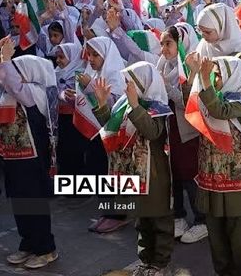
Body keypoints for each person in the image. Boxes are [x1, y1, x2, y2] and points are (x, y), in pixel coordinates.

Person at [92, 61, 174, 275]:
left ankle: (160, 263)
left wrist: (136, 106)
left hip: (154, 174)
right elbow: (112, 130)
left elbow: (153, 132)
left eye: (131, 82)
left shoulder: (158, 105)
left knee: (159, 220)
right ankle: (146, 260)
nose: (126, 86)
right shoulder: (125, 104)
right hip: (133, 172)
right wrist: (102, 105)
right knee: (142, 219)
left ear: (144, 83)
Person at [185, 55, 241, 276]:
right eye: (213, 75)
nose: (214, 79)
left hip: (236, 182)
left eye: (218, 74)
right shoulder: (211, 97)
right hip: (211, 178)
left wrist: (204, 79)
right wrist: (195, 73)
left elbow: (221, 111)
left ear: (232, 76)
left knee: (240, 237)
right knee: (216, 235)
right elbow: (190, 102)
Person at [0, 47, 58, 269]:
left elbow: (14, 84)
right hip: (12, 157)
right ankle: (28, 243)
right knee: (18, 201)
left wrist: (5, 60)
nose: (14, 74)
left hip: (31, 159)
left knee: (33, 200)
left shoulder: (37, 92)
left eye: (19, 70)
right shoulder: (9, 92)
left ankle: (46, 248)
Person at [156, 24, 207, 244]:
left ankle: (202, 220)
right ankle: (178, 216)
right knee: (173, 172)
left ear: (181, 44)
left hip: (188, 130)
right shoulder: (163, 66)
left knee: (189, 174)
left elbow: (189, 103)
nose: (164, 49)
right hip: (170, 129)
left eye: (168, 44)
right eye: (162, 44)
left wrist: (167, 89)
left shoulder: (191, 68)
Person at [77, 36, 130, 234]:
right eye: (89, 54)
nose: (90, 59)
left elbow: (115, 105)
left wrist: (90, 87)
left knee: (111, 171)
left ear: (106, 55)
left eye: (95, 55)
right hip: (95, 131)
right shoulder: (92, 72)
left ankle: (118, 215)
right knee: (96, 169)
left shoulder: (115, 74)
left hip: (111, 132)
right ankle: (107, 212)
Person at [54, 43, 87, 183]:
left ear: (73, 59)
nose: (58, 60)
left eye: (62, 57)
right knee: (62, 153)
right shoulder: (56, 72)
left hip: (74, 121)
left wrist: (63, 94)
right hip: (60, 119)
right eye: (57, 57)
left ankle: (76, 193)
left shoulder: (79, 76)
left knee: (73, 153)